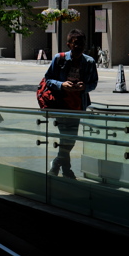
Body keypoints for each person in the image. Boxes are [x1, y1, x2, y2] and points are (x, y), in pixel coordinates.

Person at [41, 29, 98, 178]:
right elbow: (48, 79)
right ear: (69, 44)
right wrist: (61, 85)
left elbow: (93, 83)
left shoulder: (89, 62)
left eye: (82, 44)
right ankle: (66, 169)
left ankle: (58, 164)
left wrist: (84, 87)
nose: (79, 47)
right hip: (60, 105)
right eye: (76, 44)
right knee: (66, 137)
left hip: (78, 106)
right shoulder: (59, 59)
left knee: (70, 139)